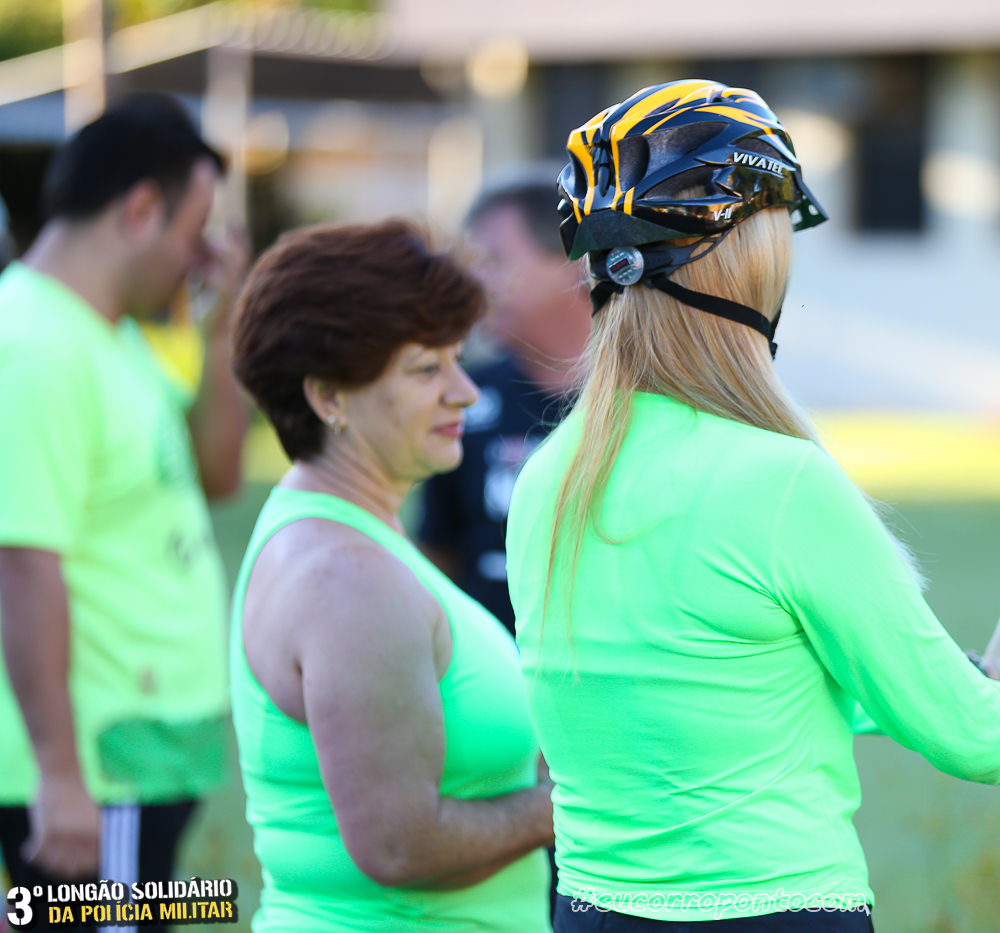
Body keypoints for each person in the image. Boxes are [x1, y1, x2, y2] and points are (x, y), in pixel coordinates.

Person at [505, 79, 1000, 931]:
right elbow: (970, 737)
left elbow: (726, 686)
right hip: (775, 910)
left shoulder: (549, 478)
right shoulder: (780, 483)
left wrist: (986, 672)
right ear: (747, 266)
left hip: (591, 909)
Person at [229, 219, 553, 931]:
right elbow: (400, 845)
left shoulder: (347, 533)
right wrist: (569, 804)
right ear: (330, 397)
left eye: (457, 359)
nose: (465, 392)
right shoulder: (345, 578)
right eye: (425, 369)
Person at [0, 94, 248, 928]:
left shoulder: (112, 335)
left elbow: (214, 477)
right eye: (195, 231)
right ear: (141, 209)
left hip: (143, 758)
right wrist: (59, 775)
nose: (198, 256)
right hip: (95, 769)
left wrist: (219, 333)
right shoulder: (33, 345)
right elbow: (21, 563)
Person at [417, 175, 592, 633]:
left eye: (493, 260)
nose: (474, 283)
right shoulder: (462, 397)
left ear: (573, 260)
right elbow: (437, 556)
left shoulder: (647, 396)